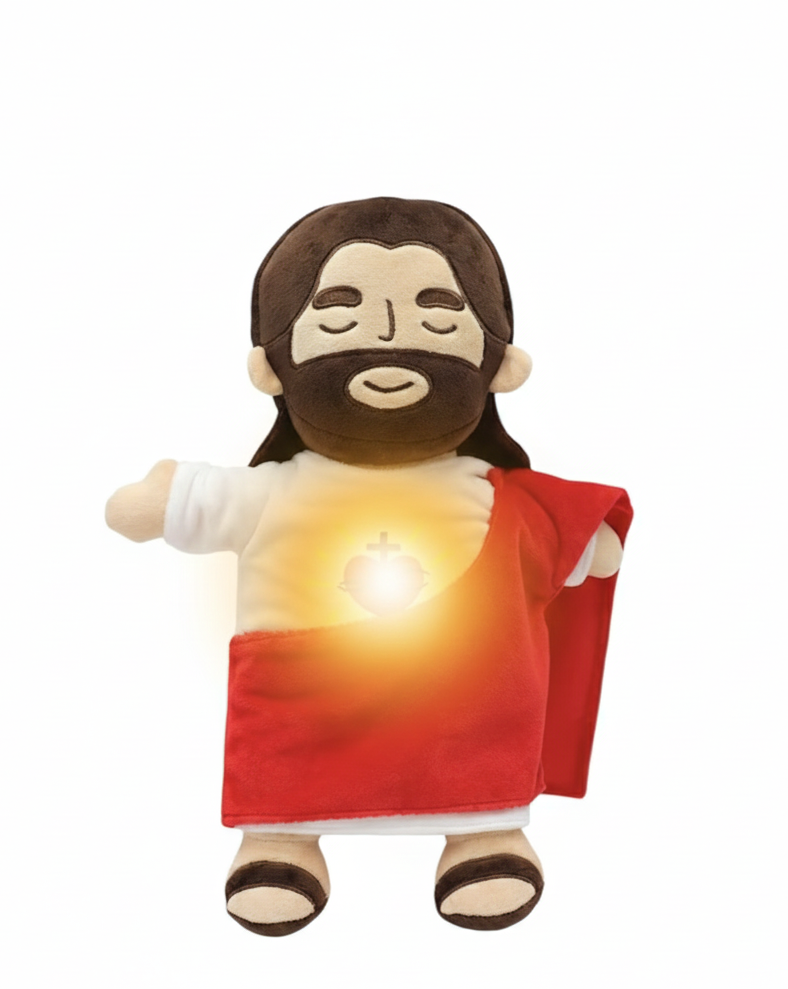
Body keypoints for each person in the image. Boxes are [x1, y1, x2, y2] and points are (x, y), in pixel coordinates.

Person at [106, 197, 632, 935]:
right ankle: (281, 843)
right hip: (306, 707)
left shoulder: (500, 496)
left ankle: (481, 836)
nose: (386, 340)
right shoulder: (269, 492)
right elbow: (160, 507)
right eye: (340, 317)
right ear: (270, 369)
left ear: (503, 367)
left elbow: (575, 546)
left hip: (460, 718)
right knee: (286, 776)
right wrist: (162, 495)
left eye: (438, 319)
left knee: (474, 764)